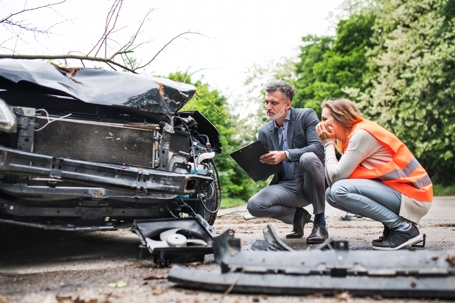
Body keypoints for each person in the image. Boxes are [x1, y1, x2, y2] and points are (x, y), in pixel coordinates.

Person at [315, 98, 433, 250]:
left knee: (339, 190)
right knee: (331, 194)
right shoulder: (353, 136)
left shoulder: (361, 135)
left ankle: (403, 229)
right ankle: (393, 226)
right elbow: (333, 179)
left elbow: (336, 177)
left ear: (341, 119)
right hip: (402, 192)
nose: (320, 124)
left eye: (324, 119)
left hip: (414, 196)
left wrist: (328, 143)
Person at [247, 80, 328, 244]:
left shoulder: (306, 116)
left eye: (274, 103)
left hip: (311, 181)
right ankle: (298, 215)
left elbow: (319, 148)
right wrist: (254, 165)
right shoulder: (264, 131)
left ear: (288, 104)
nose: (268, 107)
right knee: (254, 205)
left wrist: (285, 154)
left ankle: (320, 223)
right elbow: (267, 171)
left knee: (309, 157)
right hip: (287, 186)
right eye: (266, 102)